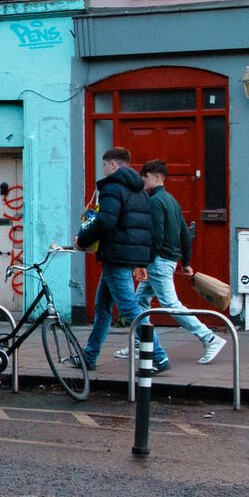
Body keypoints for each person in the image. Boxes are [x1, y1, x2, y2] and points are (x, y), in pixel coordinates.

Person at [124, 159, 227, 365]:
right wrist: (186, 262)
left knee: (171, 304)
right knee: (139, 301)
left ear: (156, 177)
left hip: (158, 262)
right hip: (166, 260)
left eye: (145, 176)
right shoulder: (171, 200)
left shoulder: (154, 202)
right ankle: (140, 344)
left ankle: (210, 338)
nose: (142, 179)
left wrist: (143, 262)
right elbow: (184, 233)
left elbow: (156, 236)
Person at [77, 147, 156, 372]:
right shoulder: (140, 191)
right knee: (102, 308)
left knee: (129, 308)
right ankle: (89, 356)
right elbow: (144, 227)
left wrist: (83, 239)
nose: (103, 169)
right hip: (128, 254)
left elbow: (105, 222)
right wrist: (142, 260)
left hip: (116, 255)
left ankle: (158, 355)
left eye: (104, 165)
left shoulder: (113, 188)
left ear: (113, 165)